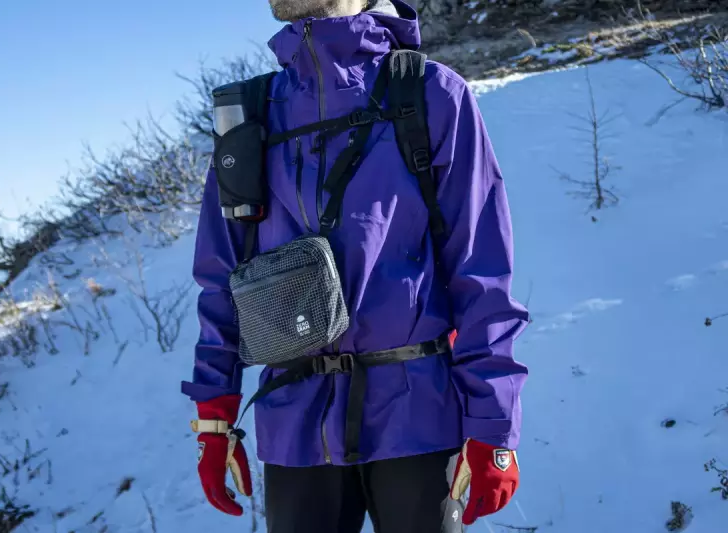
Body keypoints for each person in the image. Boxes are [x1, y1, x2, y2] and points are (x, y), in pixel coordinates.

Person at [181, 1, 529, 532]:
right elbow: (222, 277)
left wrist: (493, 424)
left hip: (418, 420)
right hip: (295, 426)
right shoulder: (251, 114)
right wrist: (213, 412)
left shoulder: (431, 95)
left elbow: (481, 273)